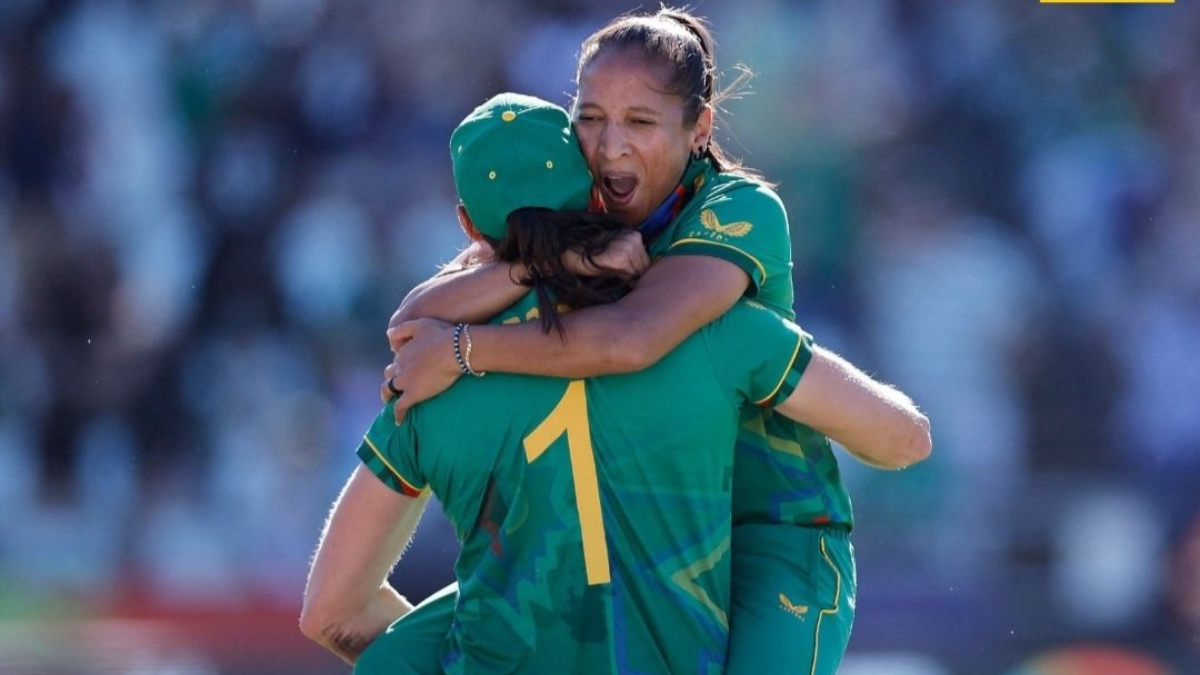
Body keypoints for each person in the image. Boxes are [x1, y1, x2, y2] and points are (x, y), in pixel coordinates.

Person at [301, 93, 930, 674]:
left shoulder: (422, 382)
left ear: (468, 226)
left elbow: (330, 613)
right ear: (596, 191)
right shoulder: (716, 326)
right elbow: (905, 440)